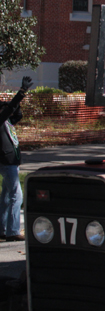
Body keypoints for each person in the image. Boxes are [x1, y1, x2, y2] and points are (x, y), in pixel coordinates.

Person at [1, 76, 33, 242]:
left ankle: (2, 229)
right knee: (16, 195)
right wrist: (21, 92)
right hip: (6, 162)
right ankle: (13, 231)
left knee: (6, 196)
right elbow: (9, 110)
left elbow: (16, 114)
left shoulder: (7, 121)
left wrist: (15, 103)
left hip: (11, 161)